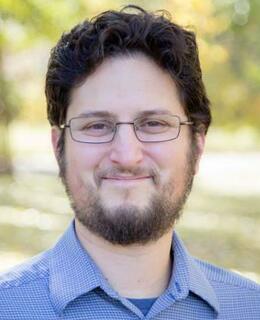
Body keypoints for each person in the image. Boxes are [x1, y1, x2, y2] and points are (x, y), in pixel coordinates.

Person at [0, 5, 259, 319]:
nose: (126, 156)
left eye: (154, 124)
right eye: (97, 126)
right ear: (59, 147)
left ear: (198, 144)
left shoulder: (250, 307)